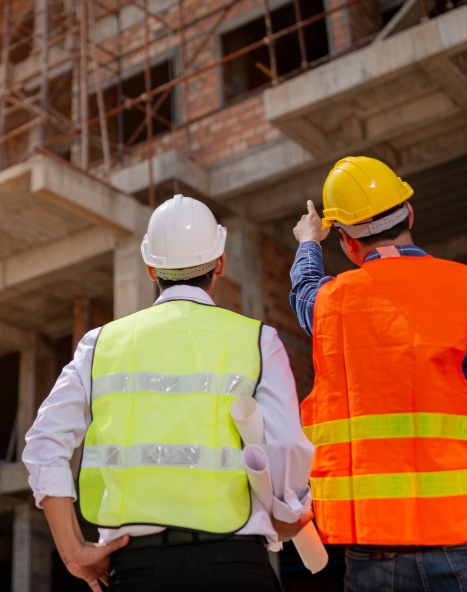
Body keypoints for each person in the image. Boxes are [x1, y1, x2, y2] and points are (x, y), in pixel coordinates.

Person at [289, 156, 467, 592]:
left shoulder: (328, 306)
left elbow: (303, 290)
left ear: (347, 243)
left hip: (376, 552)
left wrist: (308, 242)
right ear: (409, 213)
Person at [23, 194, 315, 592]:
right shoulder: (258, 340)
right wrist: (288, 510)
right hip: (235, 565)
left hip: (137, 569)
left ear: (149, 268)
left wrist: (74, 552)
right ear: (221, 262)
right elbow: (286, 445)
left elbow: (44, 443)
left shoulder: (101, 344)